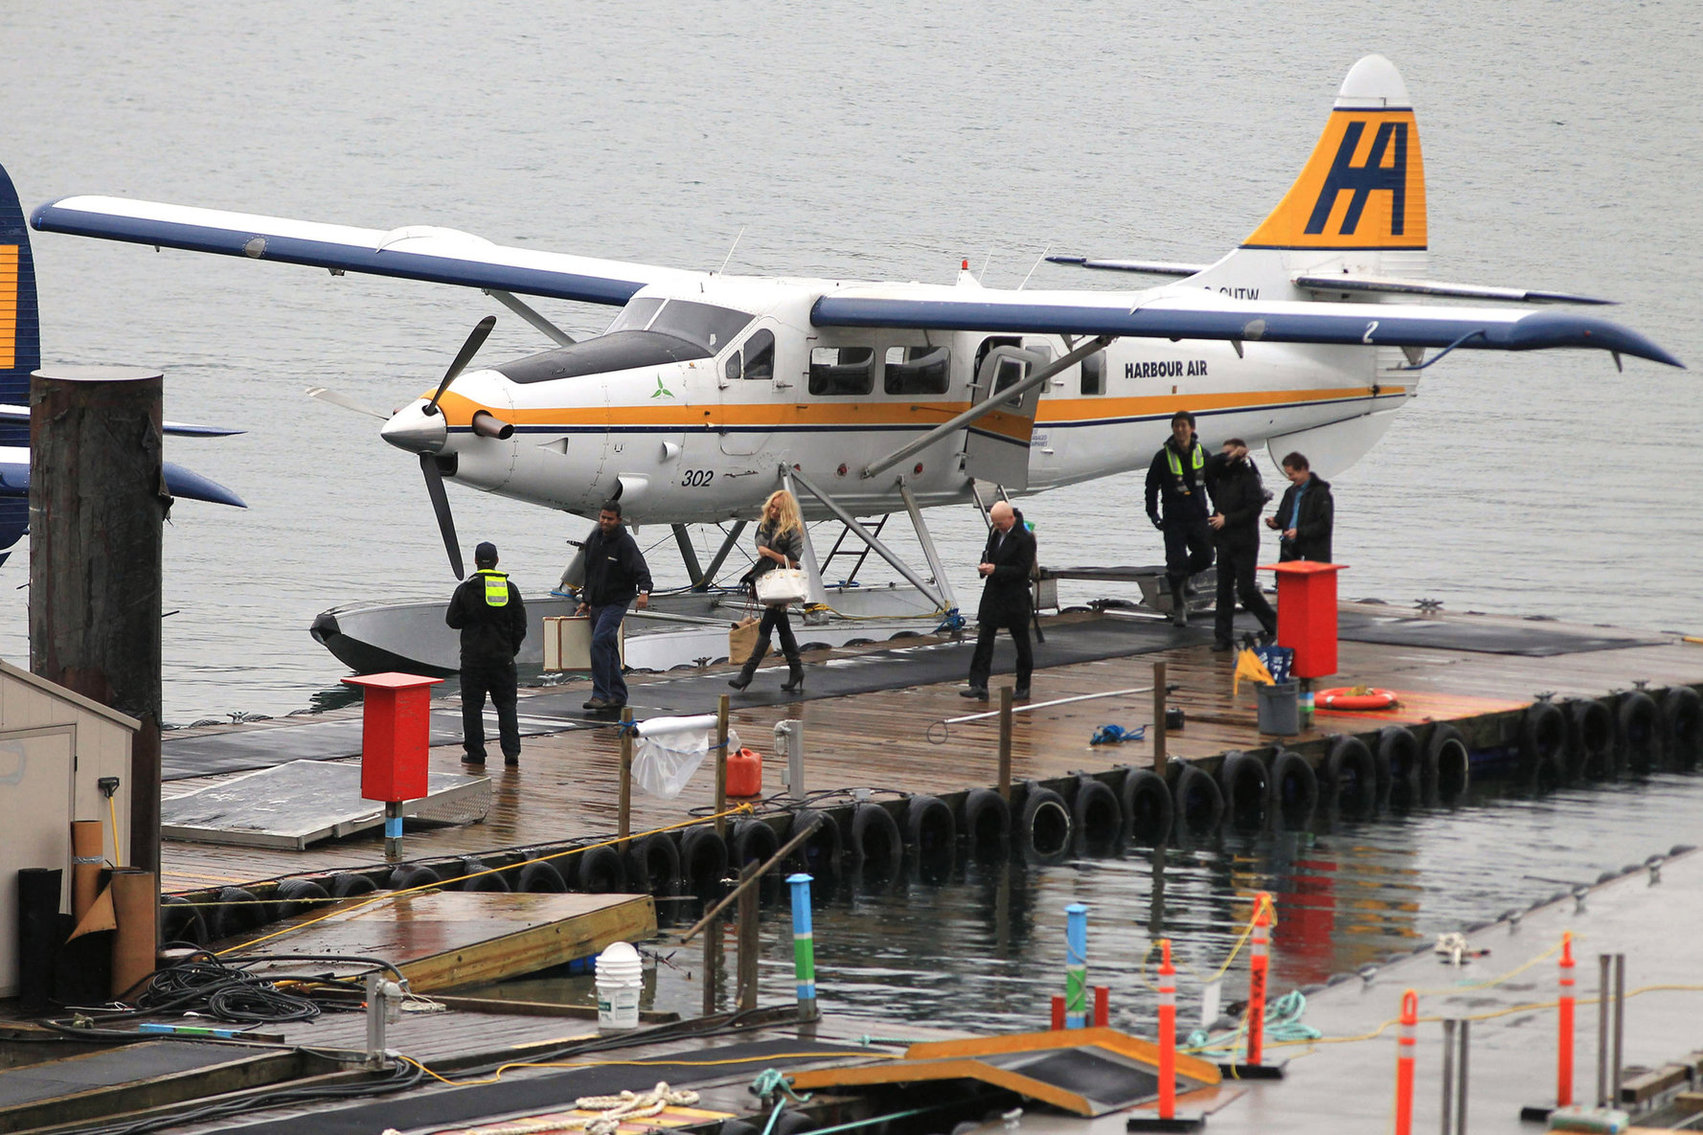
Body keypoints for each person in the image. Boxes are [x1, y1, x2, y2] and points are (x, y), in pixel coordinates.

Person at [445, 541, 527, 766]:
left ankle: (475, 754)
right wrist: (511, 649)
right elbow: (521, 625)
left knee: (472, 706)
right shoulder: (509, 588)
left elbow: (452, 620)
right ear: (497, 561)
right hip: (503, 659)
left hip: (473, 659)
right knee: (507, 705)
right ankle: (511, 753)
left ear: (475, 562)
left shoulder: (466, 588)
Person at [575, 500, 652, 714]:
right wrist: (586, 599)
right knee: (608, 646)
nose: (604, 522)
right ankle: (618, 695)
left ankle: (600, 694)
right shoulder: (595, 539)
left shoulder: (625, 543)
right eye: (602, 517)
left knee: (599, 643)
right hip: (597, 602)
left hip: (616, 602)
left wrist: (644, 592)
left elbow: (641, 570)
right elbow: (590, 572)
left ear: (618, 520)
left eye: (609, 519)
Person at [728, 489, 808, 693]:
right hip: (770, 579)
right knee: (782, 627)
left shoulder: (794, 530)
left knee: (767, 626)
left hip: (782, 580)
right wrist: (770, 556)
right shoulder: (765, 526)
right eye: (772, 506)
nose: (772, 511)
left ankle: (747, 673)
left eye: (777, 508)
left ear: (785, 510)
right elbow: (762, 550)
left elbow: (792, 560)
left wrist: (771, 553)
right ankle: (796, 670)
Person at [1205, 439, 1278, 652]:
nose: (1227, 458)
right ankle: (1223, 637)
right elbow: (1208, 467)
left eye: (1230, 454)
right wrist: (1227, 455)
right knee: (1224, 590)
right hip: (1224, 541)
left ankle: (1275, 624)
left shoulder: (1249, 477)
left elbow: (1254, 509)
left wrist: (1227, 519)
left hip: (1245, 541)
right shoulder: (1221, 475)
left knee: (1246, 589)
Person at [960, 500, 1037, 701]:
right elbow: (989, 553)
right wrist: (984, 566)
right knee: (984, 639)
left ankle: (1023, 686)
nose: (997, 527)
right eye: (995, 524)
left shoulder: (1026, 538)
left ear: (1011, 519)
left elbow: (1022, 570)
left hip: (1015, 596)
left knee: (1021, 642)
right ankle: (978, 684)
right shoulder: (995, 533)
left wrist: (997, 570)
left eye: (1000, 524)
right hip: (993, 594)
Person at [1144, 410, 1214, 627]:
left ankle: (1186, 577)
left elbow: (1213, 485)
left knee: (1206, 556)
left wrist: (1219, 510)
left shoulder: (1204, 454)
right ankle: (1179, 606)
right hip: (1173, 519)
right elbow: (1151, 486)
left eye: (1184, 426)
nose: (1180, 430)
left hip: (1199, 516)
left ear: (1192, 429)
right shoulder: (1162, 457)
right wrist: (1153, 514)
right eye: (1176, 426)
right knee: (1175, 563)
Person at [1267, 451, 1335, 562]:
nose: (1289, 478)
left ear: (1303, 469)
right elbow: (1282, 516)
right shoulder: (1290, 492)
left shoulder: (1321, 493)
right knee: (1284, 578)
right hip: (1289, 550)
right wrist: (1275, 522)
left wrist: (1299, 532)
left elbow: (1324, 524)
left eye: (1292, 474)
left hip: (1313, 553)